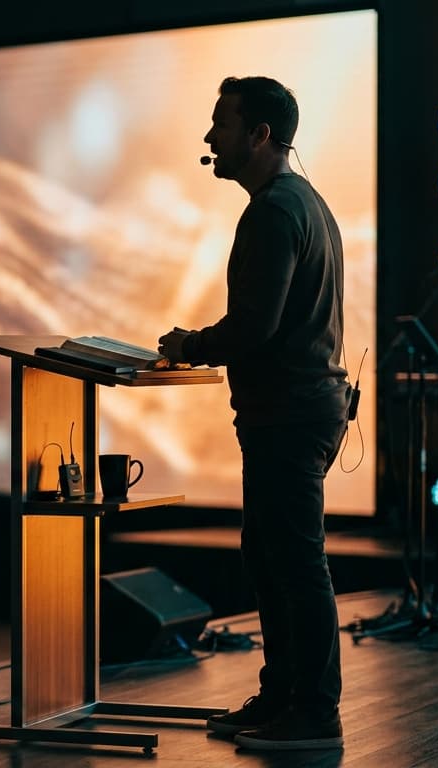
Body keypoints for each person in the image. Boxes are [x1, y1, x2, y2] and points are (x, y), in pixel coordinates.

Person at [159, 76, 349, 752]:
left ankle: (314, 714)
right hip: (301, 413)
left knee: (295, 566)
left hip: (289, 417)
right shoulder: (308, 203)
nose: (210, 138)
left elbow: (255, 327)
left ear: (260, 135)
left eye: (222, 124)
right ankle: (280, 698)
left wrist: (190, 345)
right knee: (271, 559)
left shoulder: (273, 211)